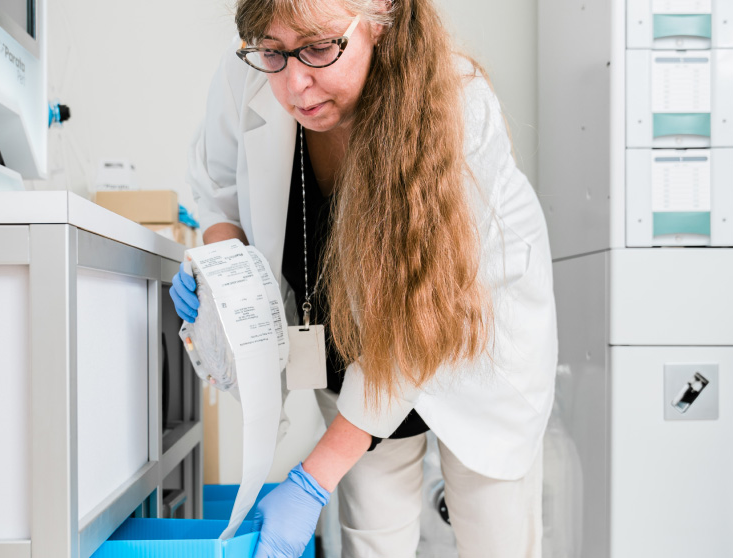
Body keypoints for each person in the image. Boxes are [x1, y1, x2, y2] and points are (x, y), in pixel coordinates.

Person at [170, 0, 558, 556]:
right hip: (345, 337)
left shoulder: (457, 107)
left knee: (494, 532)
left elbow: (414, 323)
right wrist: (225, 283)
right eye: (273, 51)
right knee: (372, 535)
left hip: (476, 343)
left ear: (383, 16)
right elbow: (217, 195)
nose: (296, 84)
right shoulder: (249, 78)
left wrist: (310, 481)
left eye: (320, 48)